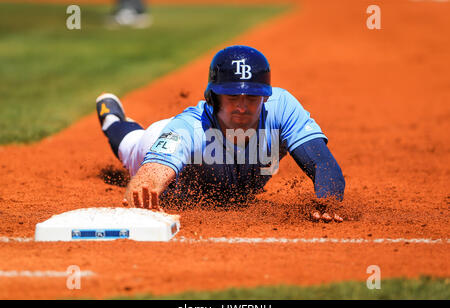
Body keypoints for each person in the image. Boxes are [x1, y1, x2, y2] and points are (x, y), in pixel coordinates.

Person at [96, 45, 346, 222]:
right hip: (158, 139)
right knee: (130, 143)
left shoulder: (282, 109)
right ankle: (113, 119)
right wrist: (144, 201)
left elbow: (322, 162)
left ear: (265, 97)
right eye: (232, 96)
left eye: (252, 97)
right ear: (213, 97)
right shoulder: (187, 130)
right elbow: (147, 179)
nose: (242, 106)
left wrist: (328, 202)